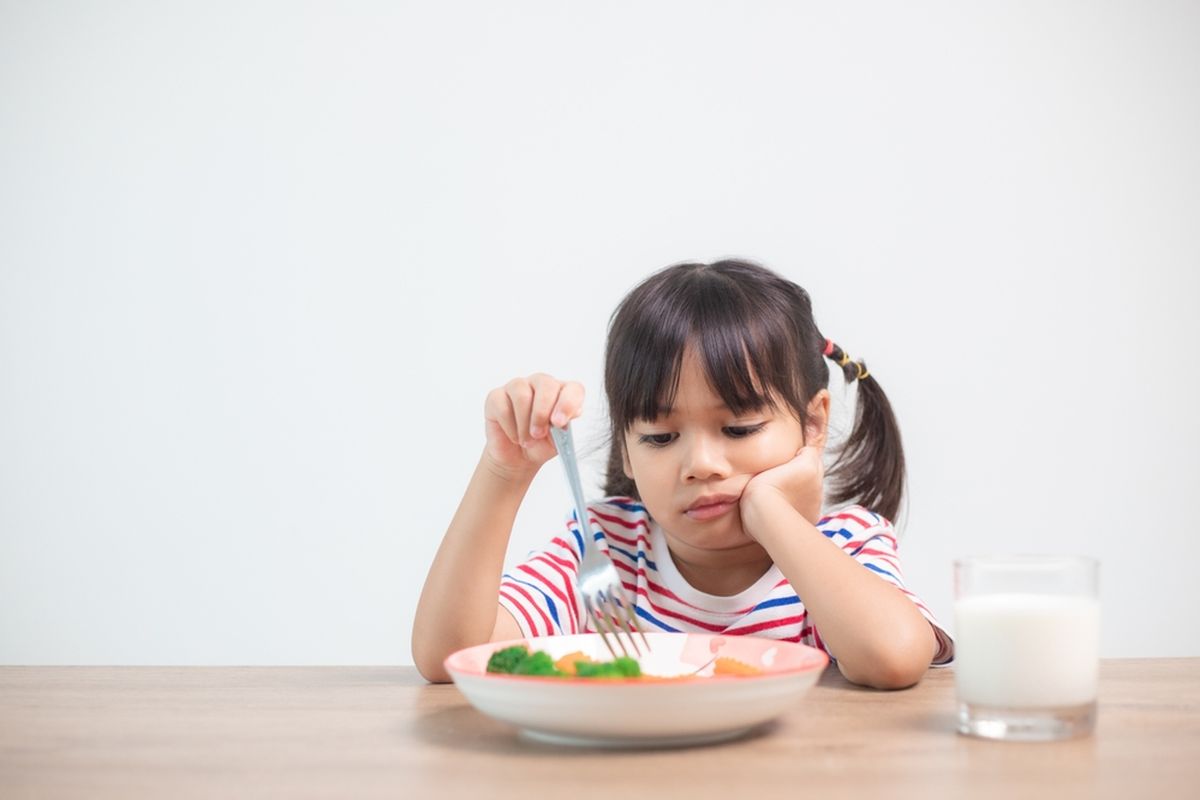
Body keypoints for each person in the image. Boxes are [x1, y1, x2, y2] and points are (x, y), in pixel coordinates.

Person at [412, 259, 954, 687]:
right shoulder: (606, 549)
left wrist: (770, 513)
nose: (700, 465)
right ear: (626, 449)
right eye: (660, 438)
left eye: (739, 429)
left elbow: (894, 659)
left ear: (813, 423)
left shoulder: (847, 546)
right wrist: (504, 473)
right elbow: (452, 655)